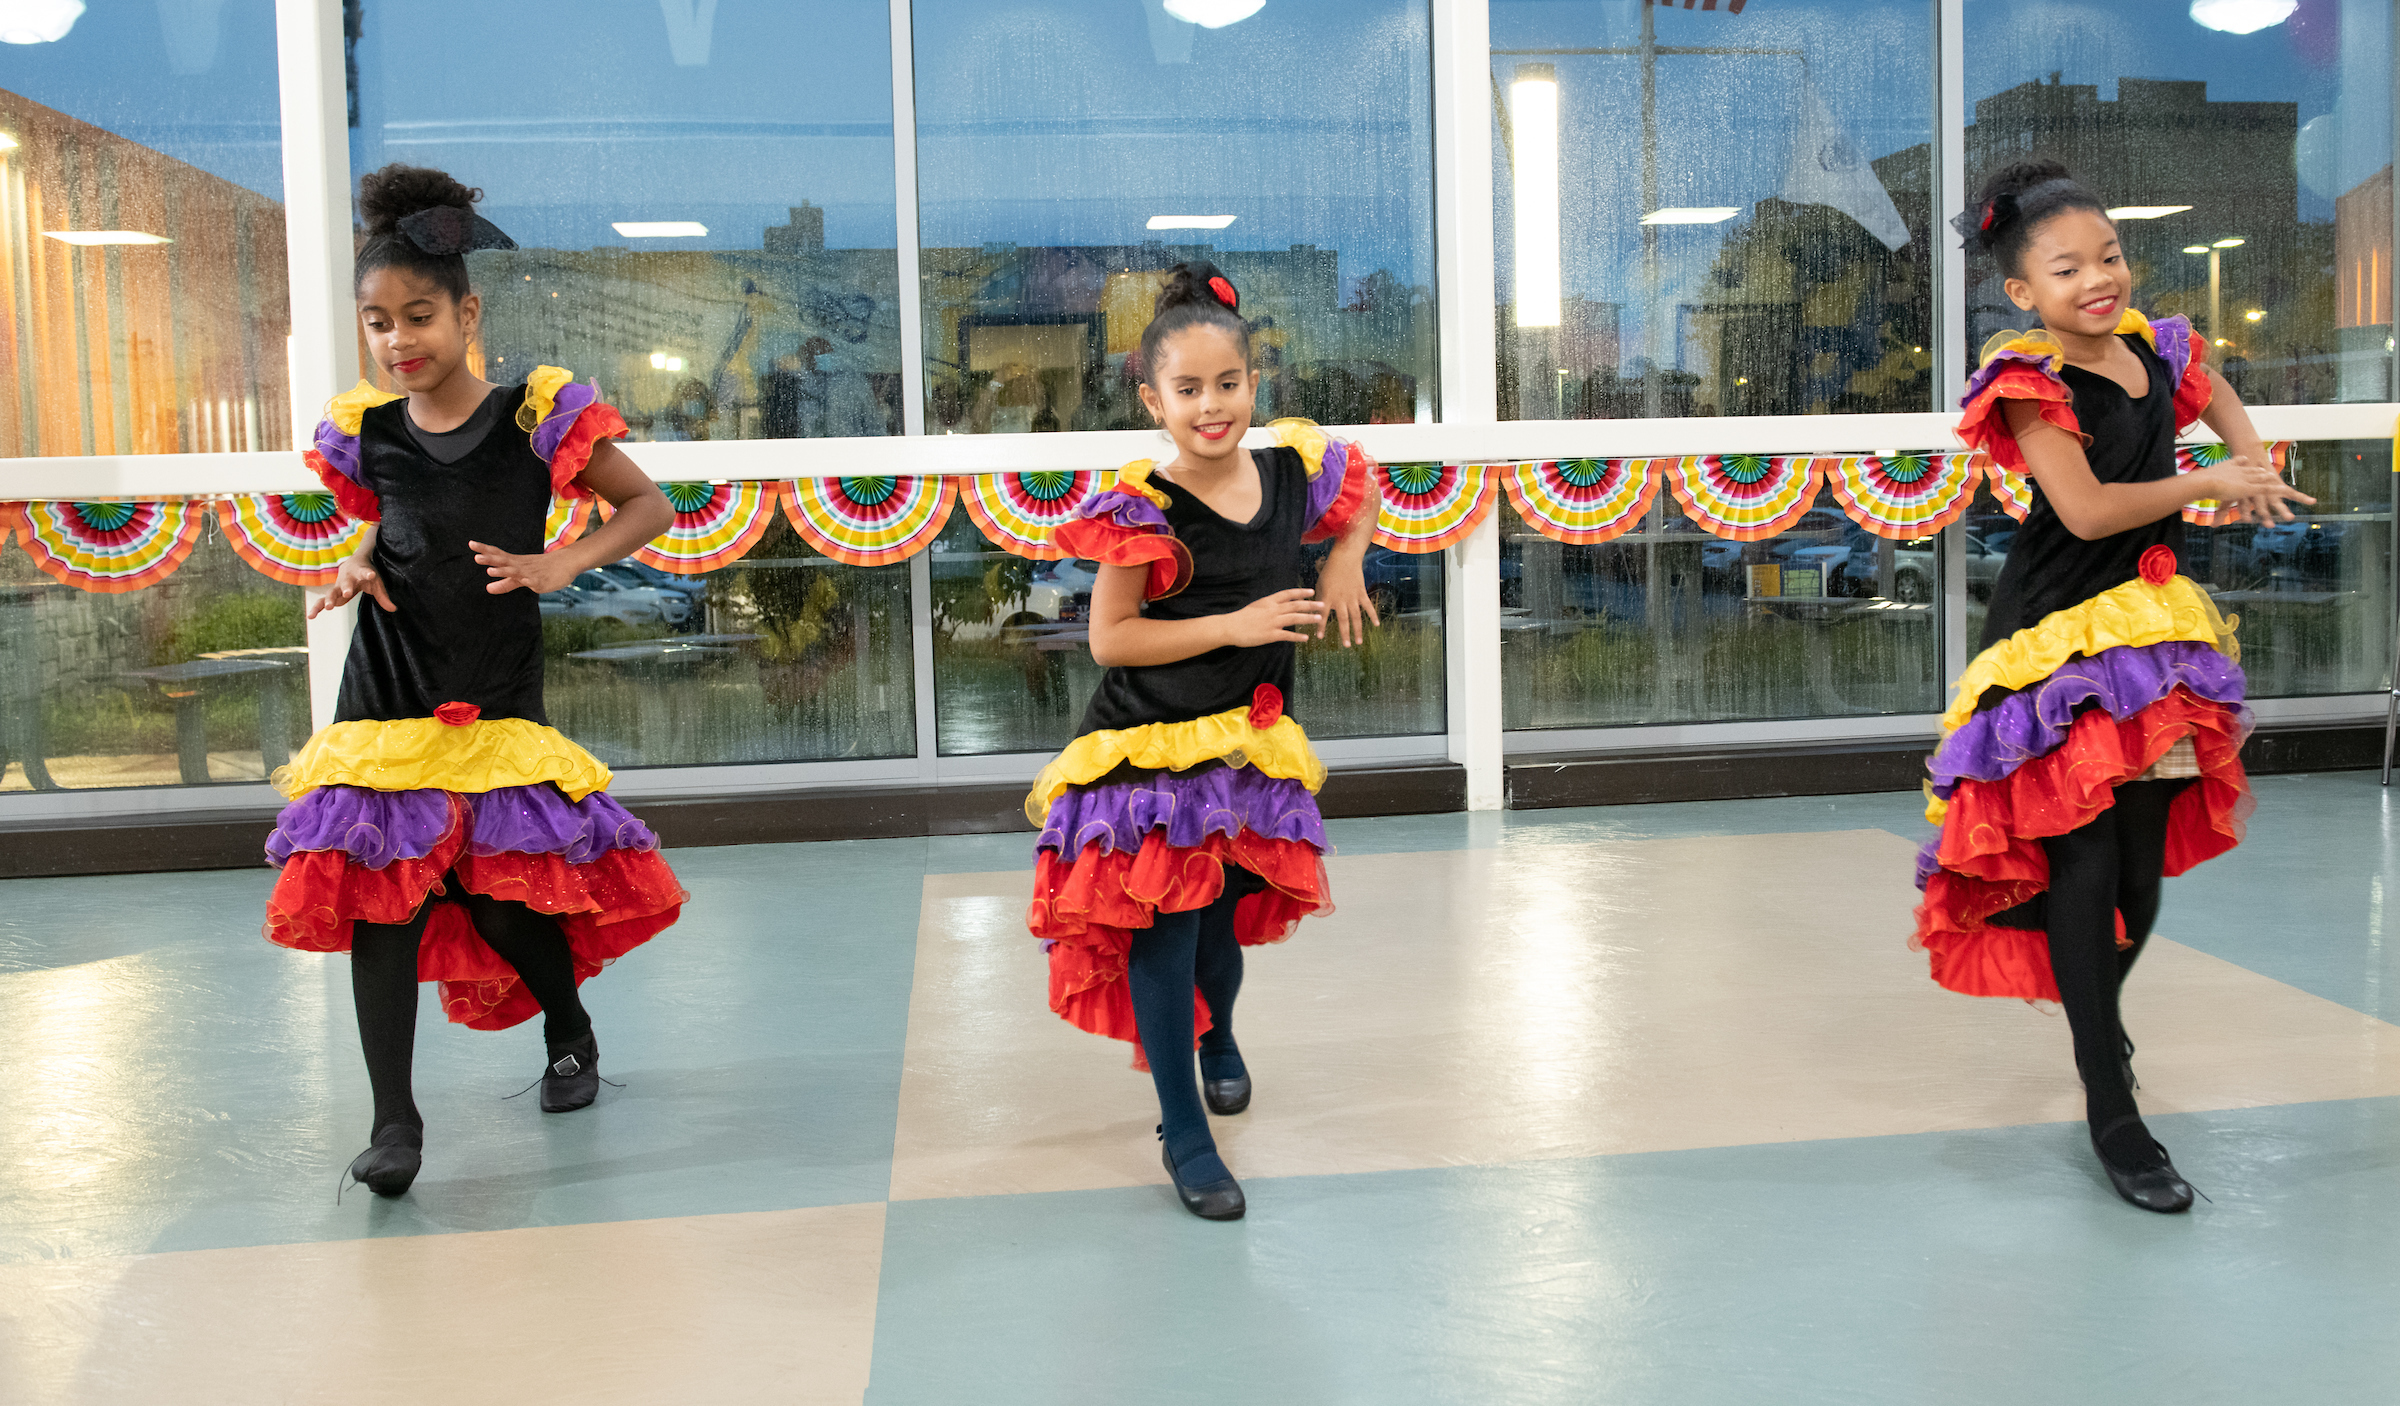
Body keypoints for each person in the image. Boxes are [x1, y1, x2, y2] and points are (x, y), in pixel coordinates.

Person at [263, 165, 688, 1198]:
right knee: (385, 898)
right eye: (377, 322)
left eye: (418, 316)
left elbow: (649, 507)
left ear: (467, 313)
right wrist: (356, 560)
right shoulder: (367, 432)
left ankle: (568, 1026)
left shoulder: (531, 420)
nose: (398, 340)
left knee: (501, 900)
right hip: (388, 690)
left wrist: (561, 563)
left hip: (493, 691)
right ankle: (394, 1121)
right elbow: (394, 523)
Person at [1913, 161, 2312, 1213]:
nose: (2098, 279)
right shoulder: (2029, 384)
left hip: (2151, 635)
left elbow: (2216, 393)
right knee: (2085, 865)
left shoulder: (2154, 348)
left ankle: (2091, 1004)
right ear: (2022, 292)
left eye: (2110, 256)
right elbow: (2087, 512)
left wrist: (2252, 461)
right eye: (2067, 268)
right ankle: (2111, 1104)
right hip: (2054, 639)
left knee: (2138, 873)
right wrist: (2210, 479)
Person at [1025, 262, 1381, 1220]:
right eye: (1188, 390)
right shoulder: (1144, 507)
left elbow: (1365, 488)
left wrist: (1345, 560)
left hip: (1246, 751)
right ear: (1154, 402)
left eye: (1228, 384)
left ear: (1254, 385)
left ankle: (1218, 1031)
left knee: (1221, 925)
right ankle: (1183, 1131)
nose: (1211, 406)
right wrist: (1237, 624)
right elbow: (1110, 640)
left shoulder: (1293, 471)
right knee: (1167, 930)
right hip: (1147, 754)